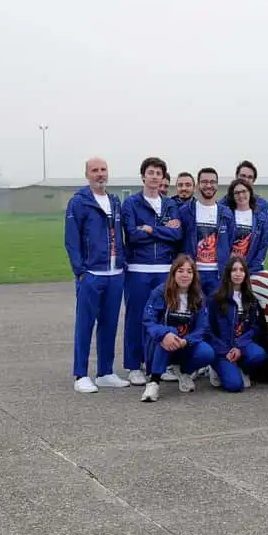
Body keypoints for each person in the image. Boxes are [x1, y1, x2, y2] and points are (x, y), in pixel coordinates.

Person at [64, 157, 131, 393]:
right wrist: (80, 271)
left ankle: (105, 372)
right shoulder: (78, 202)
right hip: (92, 273)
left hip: (115, 273)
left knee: (109, 324)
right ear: (87, 174)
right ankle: (80, 374)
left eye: (103, 169)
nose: (100, 174)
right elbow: (71, 239)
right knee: (85, 325)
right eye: (95, 170)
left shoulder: (114, 200)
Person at [120, 156, 184, 385]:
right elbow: (133, 235)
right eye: (151, 173)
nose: (155, 177)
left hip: (165, 268)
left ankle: (158, 365)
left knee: (162, 317)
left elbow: (177, 235)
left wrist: (150, 229)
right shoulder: (131, 204)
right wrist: (162, 230)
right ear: (143, 176)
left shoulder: (170, 205)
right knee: (136, 317)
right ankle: (133, 366)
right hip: (138, 268)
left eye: (159, 173)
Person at [139, 254, 215, 401]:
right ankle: (154, 382)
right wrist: (164, 333)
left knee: (207, 353)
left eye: (189, 271)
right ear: (173, 273)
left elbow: (202, 327)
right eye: (180, 271)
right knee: (170, 333)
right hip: (162, 345)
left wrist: (187, 341)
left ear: (194, 275)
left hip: (185, 344)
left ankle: (184, 372)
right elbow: (148, 320)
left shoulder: (198, 296)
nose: (185, 275)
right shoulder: (161, 292)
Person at [206, 255, 268, 391]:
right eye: (234, 270)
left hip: (241, 345)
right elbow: (208, 329)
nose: (238, 273)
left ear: (246, 274)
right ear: (228, 273)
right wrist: (225, 350)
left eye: (241, 270)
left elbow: (255, 327)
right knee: (234, 386)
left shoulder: (251, 299)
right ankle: (216, 368)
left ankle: (241, 367)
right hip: (222, 348)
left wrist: (239, 346)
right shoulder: (215, 299)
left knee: (259, 355)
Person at [178, 167, 231, 298]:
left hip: (217, 275)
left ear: (217, 185)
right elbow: (178, 240)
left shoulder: (226, 213)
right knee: (193, 309)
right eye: (204, 182)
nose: (209, 185)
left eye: (212, 182)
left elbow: (230, 239)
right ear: (197, 185)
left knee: (217, 309)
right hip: (192, 273)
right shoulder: (185, 211)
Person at [223, 178, 268, 274]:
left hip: (252, 270)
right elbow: (222, 244)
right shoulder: (226, 216)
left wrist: (253, 268)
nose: (241, 195)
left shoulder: (261, 218)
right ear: (232, 196)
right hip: (230, 269)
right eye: (237, 193)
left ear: (250, 192)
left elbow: (263, 245)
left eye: (244, 191)